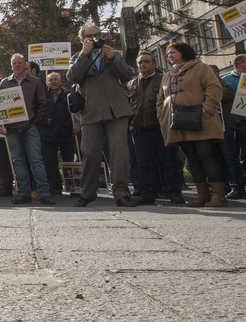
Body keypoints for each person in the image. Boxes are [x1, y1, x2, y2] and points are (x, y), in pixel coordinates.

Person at [66, 22, 137, 207]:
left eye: (96, 35)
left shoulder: (113, 54)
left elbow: (127, 75)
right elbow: (72, 77)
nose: (94, 39)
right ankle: (88, 193)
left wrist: (113, 58)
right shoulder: (77, 57)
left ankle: (121, 193)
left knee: (119, 151)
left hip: (117, 111)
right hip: (91, 112)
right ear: (82, 40)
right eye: (89, 37)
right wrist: (85, 55)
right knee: (90, 152)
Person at [157, 41, 226, 207]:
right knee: (192, 158)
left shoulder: (201, 68)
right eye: (168, 54)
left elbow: (213, 88)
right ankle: (202, 194)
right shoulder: (167, 75)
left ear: (184, 52)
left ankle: (219, 195)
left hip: (202, 120)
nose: (170, 56)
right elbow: (160, 98)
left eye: (173, 52)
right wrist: (162, 115)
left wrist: (206, 110)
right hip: (179, 123)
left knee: (206, 155)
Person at [127, 52, 185, 205]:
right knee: (144, 163)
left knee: (168, 161)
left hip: (161, 127)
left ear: (154, 64)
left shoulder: (164, 80)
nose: (143, 65)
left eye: (146, 61)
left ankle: (173, 192)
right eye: (140, 62)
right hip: (139, 129)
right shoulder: (132, 84)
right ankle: (147, 193)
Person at [0, 54, 54, 205]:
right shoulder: (4, 83)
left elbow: (43, 104)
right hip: (12, 130)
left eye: (20, 62)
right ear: (11, 66)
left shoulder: (36, 82)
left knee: (36, 160)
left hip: (30, 128)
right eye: (14, 63)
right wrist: (0, 125)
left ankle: (44, 193)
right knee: (18, 162)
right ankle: (24, 193)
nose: (17, 65)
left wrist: (34, 122)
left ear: (25, 65)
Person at [219, 54, 246, 198]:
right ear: (239, 63)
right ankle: (240, 186)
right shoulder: (226, 79)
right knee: (239, 155)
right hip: (237, 123)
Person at [40, 72, 76, 197]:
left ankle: (73, 187)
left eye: (56, 79)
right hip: (49, 134)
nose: (54, 82)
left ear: (61, 82)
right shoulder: (43, 95)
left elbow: (74, 112)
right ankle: (54, 188)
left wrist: (73, 125)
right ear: (47, 83)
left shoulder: (68, 95)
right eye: (51, 80)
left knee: (69, 161)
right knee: (50, 163)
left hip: (66, 133)